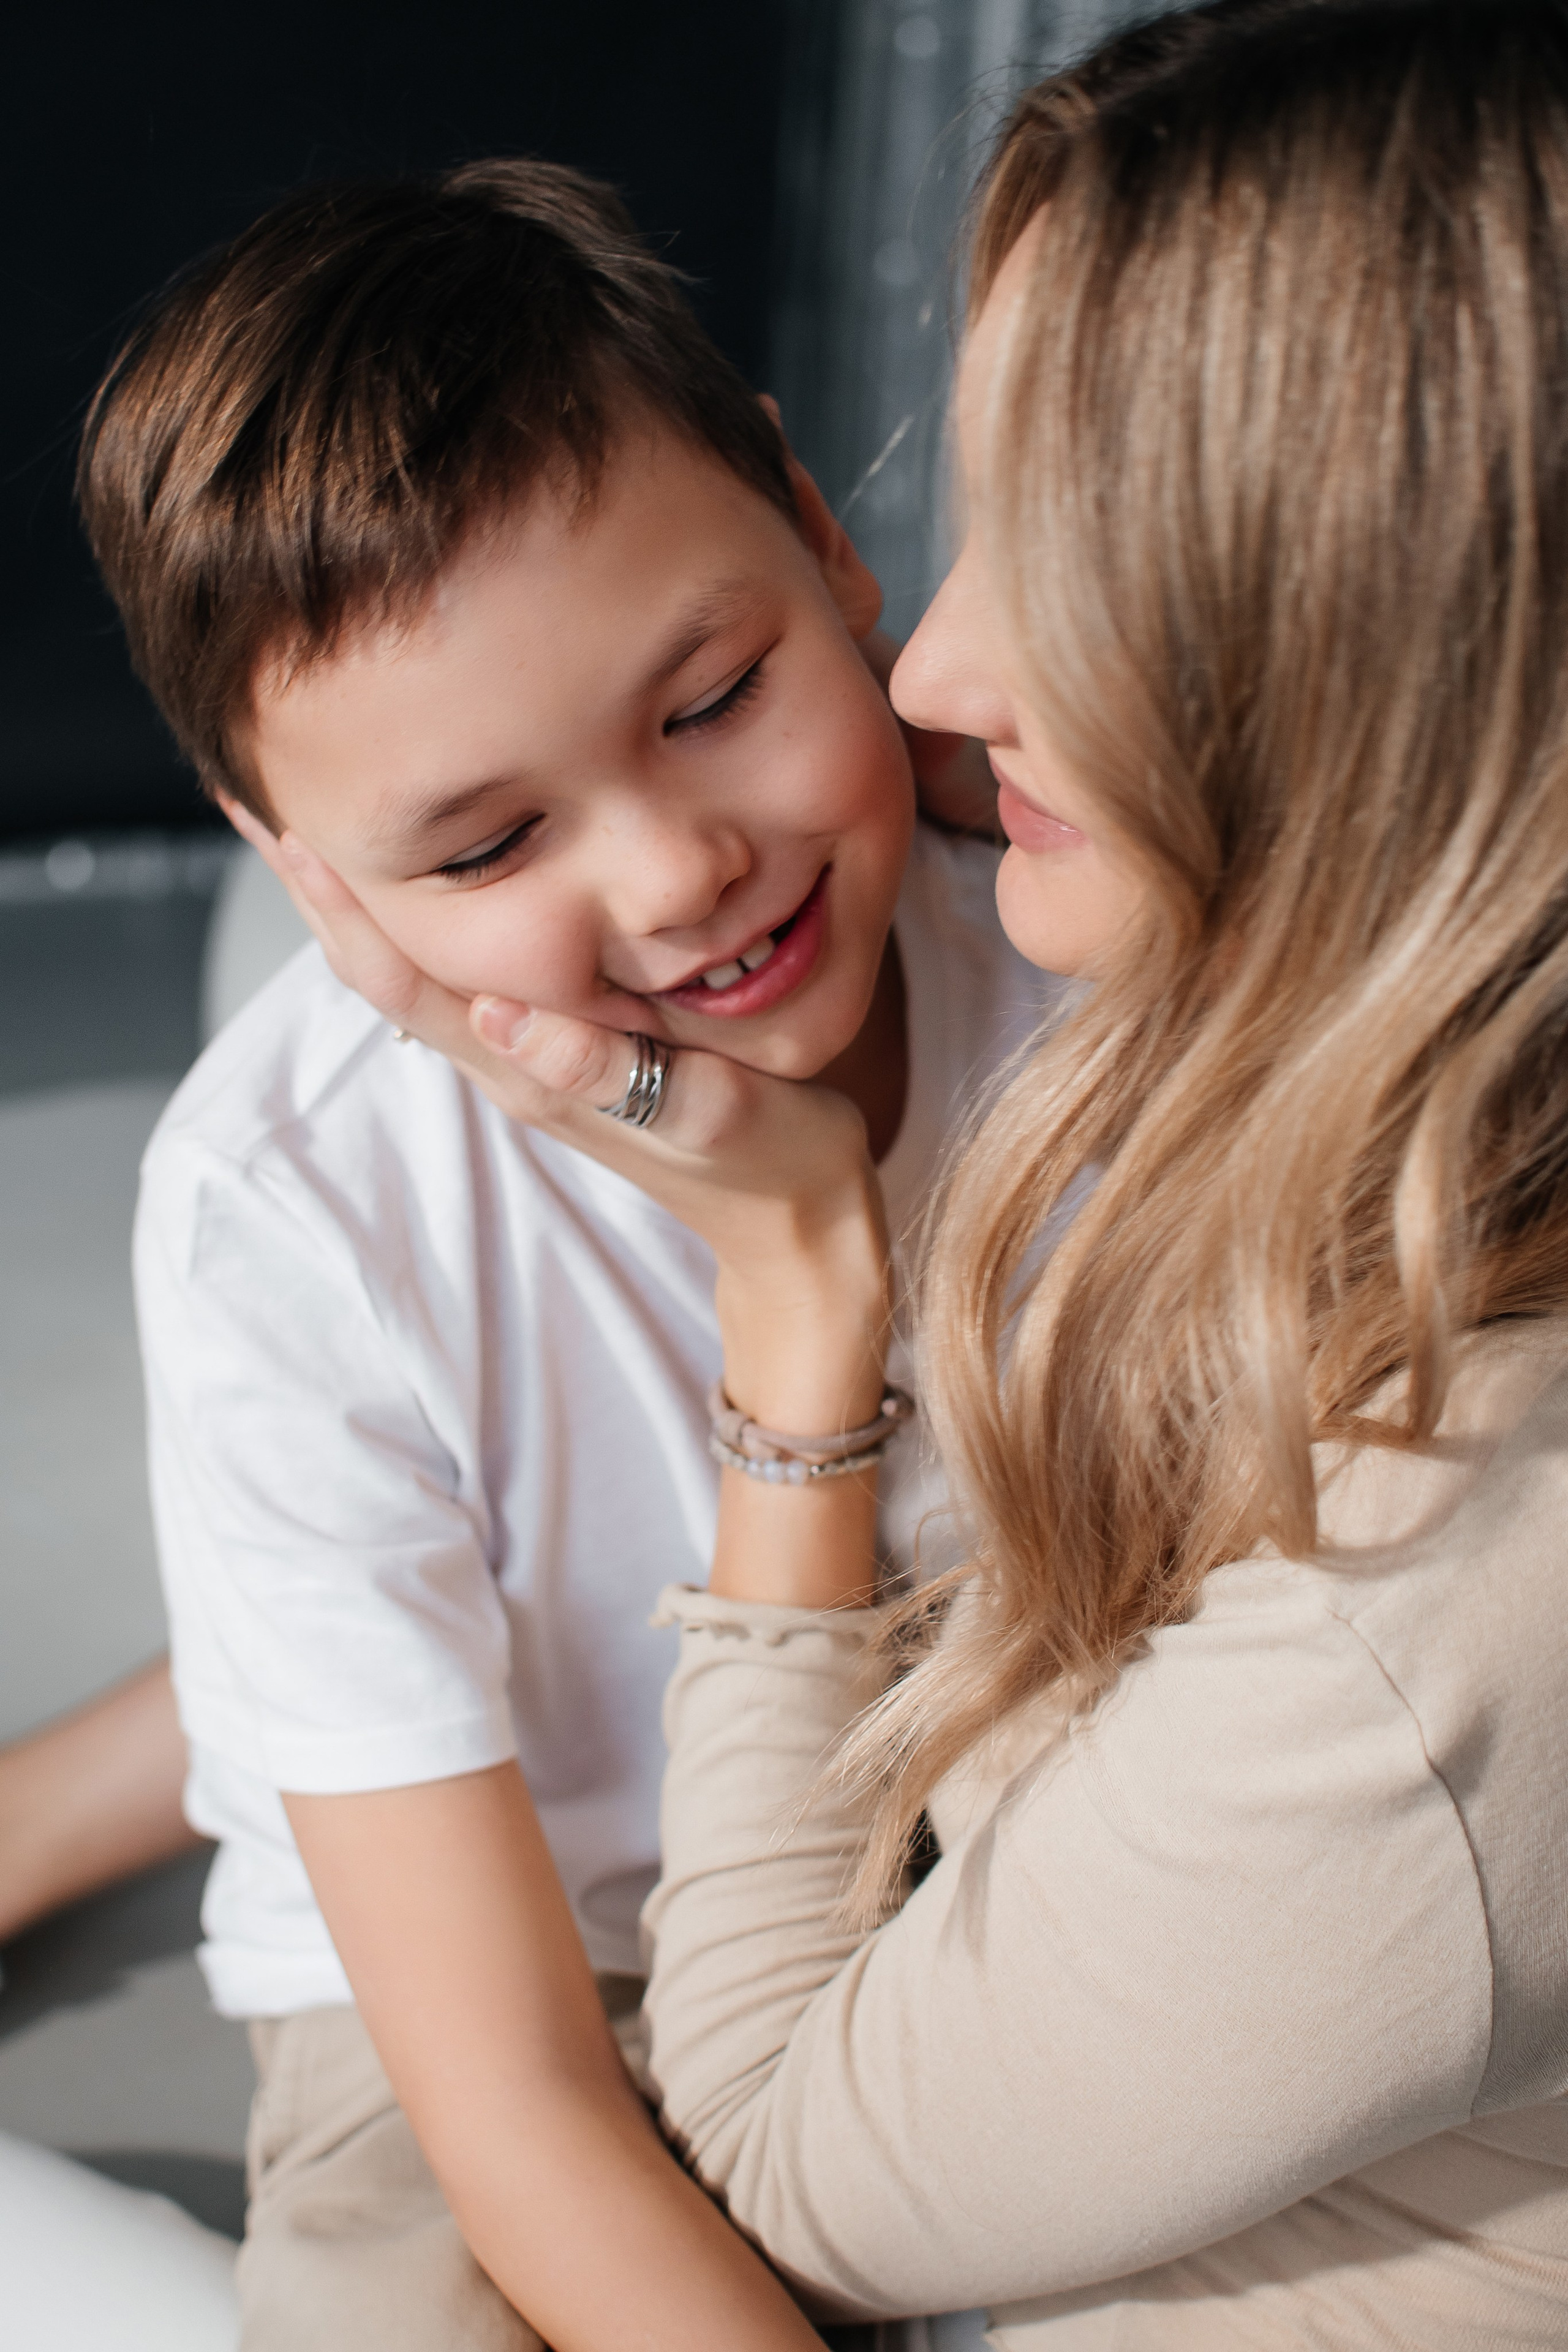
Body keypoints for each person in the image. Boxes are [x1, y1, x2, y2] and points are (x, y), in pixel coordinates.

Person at [292, 1, 1567, 2342]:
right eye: (953, 522)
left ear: (1373, 660)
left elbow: (769, 2158)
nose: (946, 669)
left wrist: (802, 1309)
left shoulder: (1445, 1610)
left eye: (1071, 563)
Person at [60, 154, 1047, 2351]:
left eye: (712, 698)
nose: (687, 870)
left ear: (817, 530)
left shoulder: (1063, 920)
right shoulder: (292, 1208)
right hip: (537, 1950)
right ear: (300, 865)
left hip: (969, 1853)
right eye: (493, 841)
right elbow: (501, 2098)